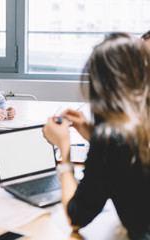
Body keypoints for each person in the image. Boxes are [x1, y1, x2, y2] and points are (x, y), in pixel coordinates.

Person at [43, 33, 150, 239]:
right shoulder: (139, 123)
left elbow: (76, 218)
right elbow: (135, 166)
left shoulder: (113, 137)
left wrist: (64, 151)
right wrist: (94, 134)